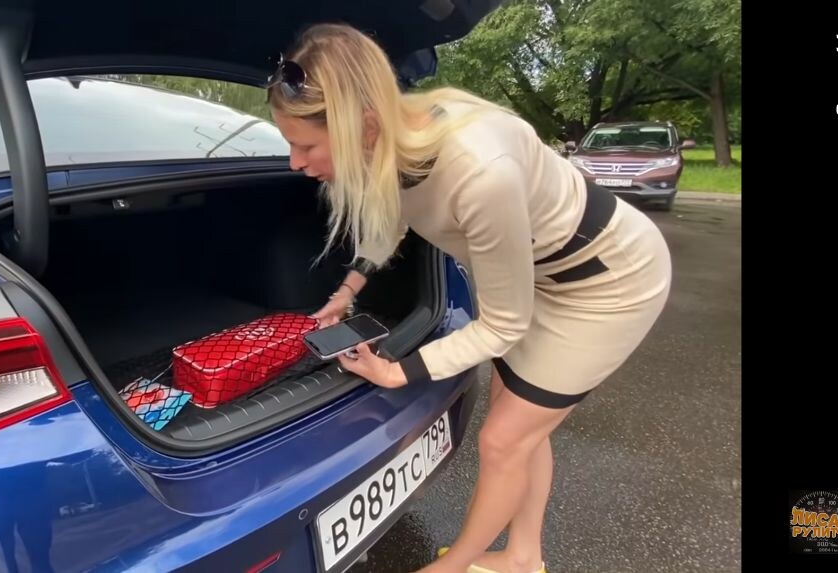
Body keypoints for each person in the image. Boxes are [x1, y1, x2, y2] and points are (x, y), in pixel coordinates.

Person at [267, 23, 672, 573]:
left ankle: (453, 566)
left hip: (609, 281)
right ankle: (523, 557)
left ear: (365, 125)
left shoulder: (481, 172)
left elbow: (502, 326)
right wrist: (347, 291)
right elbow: (395, 215)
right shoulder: (395, 139)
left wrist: (398, 372)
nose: (295, 162)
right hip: (537, 277)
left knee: (505, 439)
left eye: (306, 145)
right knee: (520, 426)